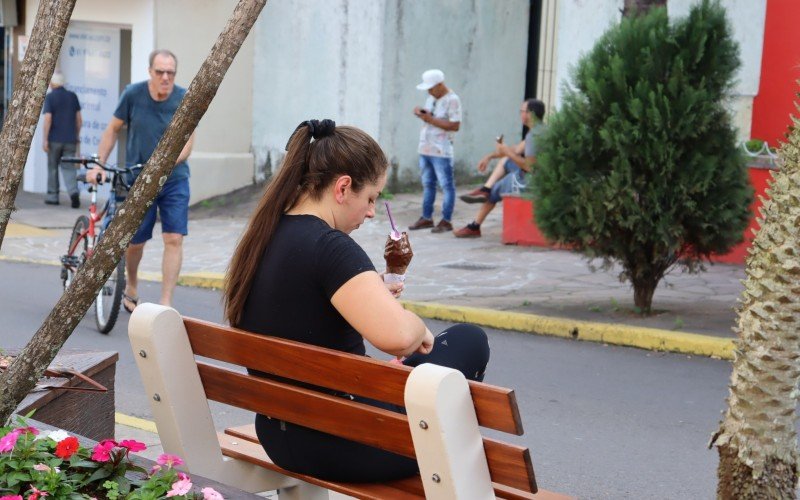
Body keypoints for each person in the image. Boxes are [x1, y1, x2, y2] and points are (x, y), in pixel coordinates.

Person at [224, 119, 489, 483]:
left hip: (279, 436)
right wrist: (418, 328)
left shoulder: (264, 235)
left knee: (417, 369)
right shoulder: (331, 247)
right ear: (343, 187)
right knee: (469, 340)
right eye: (370, 198)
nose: (370, 212)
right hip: (349, 443)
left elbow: (299, 304)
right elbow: (398, 338)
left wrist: (372, 289)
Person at [88, 49, 194, 312]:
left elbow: (188, 143)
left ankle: (165, 303)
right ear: (150, 72)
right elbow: (112, 129)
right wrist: (100, 163)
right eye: (160, 72)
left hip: (174, 180)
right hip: (137, 179)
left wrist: (163, 165)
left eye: (171, 72)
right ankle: (132, 284)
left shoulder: (184, 98)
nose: (166, 77)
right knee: (135, 242)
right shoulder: (133, 94)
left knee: (174, 238)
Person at [454, 99, 546, 238]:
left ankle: (475, 226)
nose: (520, 114)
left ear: (530, 114)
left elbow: (530, 167)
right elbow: (515, 150)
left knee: (496, 189)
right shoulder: (540, 129)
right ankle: (485, 189)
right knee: (506, 160)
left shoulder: (534, 136)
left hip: (531, 180)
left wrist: (507, 151)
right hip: (538, 174)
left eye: (522, 111)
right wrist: (490, 156)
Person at [408, 69, 462, 234]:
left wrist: (430, 119)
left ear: (440, 85)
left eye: (431, 88)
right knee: (428, 185)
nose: (429, 91)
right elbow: (431, 117)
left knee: (446, 186)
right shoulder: (432, 98)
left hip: (441, 150)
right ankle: (426, 217)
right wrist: (422, 113)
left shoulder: (452, 100)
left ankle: (446, 220)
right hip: (426, 148)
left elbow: (455, 125)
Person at [43, 72, 82, 208]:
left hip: (54, 139)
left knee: (53, 167)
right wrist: (76, 136)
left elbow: (48, 119)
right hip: (70, 139)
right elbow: (79, 120)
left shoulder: (50, 97)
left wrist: (45, 139)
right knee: (69, 168)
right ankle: (74, 193)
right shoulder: (73, 96)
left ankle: (53, 196)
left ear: (52, 84)